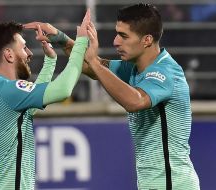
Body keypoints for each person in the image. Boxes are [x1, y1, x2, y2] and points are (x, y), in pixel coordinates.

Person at [24, 3, 200, 190]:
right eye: (117, 33)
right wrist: (58, 37)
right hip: (157, 183)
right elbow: (92, 67)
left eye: (124, 36)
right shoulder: (134, 68)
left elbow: (135, 101)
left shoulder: (165, 73)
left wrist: (94, 62)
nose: (116, 41)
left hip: (172, 183)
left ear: (147, 40)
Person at [0, 10, 91, 190]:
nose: (29, 53)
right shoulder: (6, 90)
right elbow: (63, 90)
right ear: (9, 55)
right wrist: (80, 43)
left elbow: (29, 107)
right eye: (24, 47)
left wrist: (50, 61)